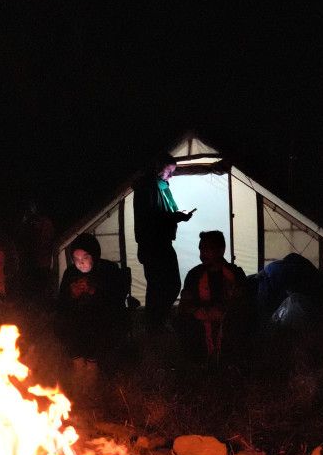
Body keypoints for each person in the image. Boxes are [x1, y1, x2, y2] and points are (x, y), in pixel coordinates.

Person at [55, 233, 127, 383]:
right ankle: (78, 372)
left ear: (94, 255)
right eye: (76, 259)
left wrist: (93, 291)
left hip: (103, 321)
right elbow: (62, 304)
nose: (80, 263)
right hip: (78, 323)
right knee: (66, 325)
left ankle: (93, 375)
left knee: (97, 327)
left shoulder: (108, 270)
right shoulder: (70, 273)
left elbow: (117, 300)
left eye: (85, 258)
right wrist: (72, 294)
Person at [133, 155, 195, 328]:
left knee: (160, 286)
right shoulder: (148, 188)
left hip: (159, 244)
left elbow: (161, 214)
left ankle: (156, 322)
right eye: (169, 171)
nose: (171, 176)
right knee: (165, 285)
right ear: (158, 168)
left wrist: (176, 215)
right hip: (153, 245)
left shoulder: (159, 187)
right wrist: (177, 217)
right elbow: (152, 218)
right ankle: (155, 323)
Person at [174, 231, 249, 359]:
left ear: (221, 250)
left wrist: (223, 312)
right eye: (200, 250)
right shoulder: (194, 275)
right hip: (200, 329)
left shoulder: (235, 274)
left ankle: (231, 362)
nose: (202, 255)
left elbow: (244, 304)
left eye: (207, 249)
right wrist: (201, 312)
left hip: (228, 327)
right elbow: (184, 306)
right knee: (182, 322)